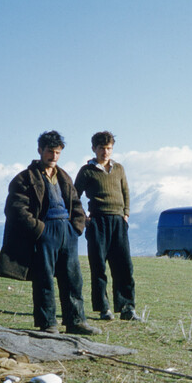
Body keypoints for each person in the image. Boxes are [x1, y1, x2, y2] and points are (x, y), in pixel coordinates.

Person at [0, 131, 101, 335]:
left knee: (73, 278)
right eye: (50, 152)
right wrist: (39, 230)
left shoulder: (64, 176)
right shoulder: (25, 178)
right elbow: (16, 209)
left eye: (58, 152)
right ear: (40, 151)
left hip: (67, 232)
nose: (54, 157)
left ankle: (76, 321)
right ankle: (48, 324)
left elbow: (76, 203)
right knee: (43, 279)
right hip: (45, 232)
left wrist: (76, 227)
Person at [74, 131, 141, 321]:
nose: (105, 152)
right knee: (98, 267)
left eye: (109, 148)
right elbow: (73, 196)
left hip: (118, 222)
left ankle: (127, 308)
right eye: (102, 148)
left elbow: (125, 191)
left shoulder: (119, 168)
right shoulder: (86, 171)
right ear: (94, 149)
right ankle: (104, 309)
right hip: (98, 222)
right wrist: (84, 218)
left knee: (124, 266)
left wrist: (126, 213)